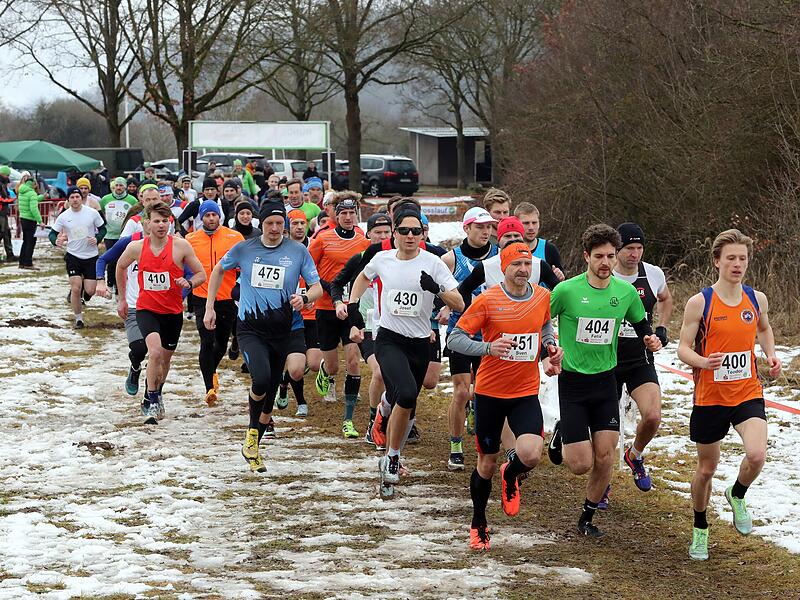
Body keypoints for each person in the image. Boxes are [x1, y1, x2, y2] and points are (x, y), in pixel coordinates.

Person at [548, 224, 661, 537]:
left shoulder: (624, 293)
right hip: (573, 382)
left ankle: (587, 517)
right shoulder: (567, 291)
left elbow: (641, 323)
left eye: (611, 256)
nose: (606, 262)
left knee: (605, 455)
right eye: (599, 256)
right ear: (586, 256)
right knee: (580, 464)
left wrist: (650, 339)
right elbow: (542, 318)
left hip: (605, 382)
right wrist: (548, 350)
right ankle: (562, 432)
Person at [448, 242, 562, 550]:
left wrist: (551, 347)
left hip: (525, 391)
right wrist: (487, 348)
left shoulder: (542, 296)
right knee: (486, 462)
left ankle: (510, 475)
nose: (523, 270)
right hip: (490, 393)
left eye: (527, 264)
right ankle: (479, 522)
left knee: (531, 454)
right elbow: (455, 338)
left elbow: (545, 326)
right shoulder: (487, 299)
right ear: (505, 268)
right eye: (517, 265)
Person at [677, 229, 781, 561]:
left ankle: (737, 493)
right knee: (706, 469)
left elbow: (763, 329)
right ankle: (700, 527)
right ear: (717, 261)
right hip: (710, 397)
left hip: (747, 391)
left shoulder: (756, 298)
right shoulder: (700, 302)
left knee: (756, 455)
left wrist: (770, 354)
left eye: (743, 259)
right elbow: (681, 348)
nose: (738, 265)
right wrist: (702, 361)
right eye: (731, 258)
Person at [347, 208, 463, 490]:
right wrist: (353, 307)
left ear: (423, 234)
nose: (410, 236)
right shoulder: (382, 259)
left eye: (416, 231)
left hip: (420, 343)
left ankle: (387, 423)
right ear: (395, 234)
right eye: (404, 231)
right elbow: (363, 277)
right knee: (408, 394)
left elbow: (459, 303)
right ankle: (393, 458)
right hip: (388, 338)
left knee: (406, 401)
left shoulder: (433, 263)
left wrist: (436, 289)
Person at [204, 199, 322, 472]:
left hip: (286, 328)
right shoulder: (245, 249)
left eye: (280, 223)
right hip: (251, 328)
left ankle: (256, 434)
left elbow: (316, 288)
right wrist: (210, 306)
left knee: (281, 380)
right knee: (262, 378)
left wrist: (304, 297)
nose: (275, 228)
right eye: (269, 223)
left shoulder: (298, 251)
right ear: (261, 224)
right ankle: (252, 435)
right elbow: (219, 270)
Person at [116, 202, 205, 423]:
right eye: (157, 221)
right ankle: (153, 400)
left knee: (164, 360)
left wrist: (189, 282)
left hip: (172, 313)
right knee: (154, 352)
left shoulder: (181, 246)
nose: (161, 225)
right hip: (146, 309)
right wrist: (122, 299)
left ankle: (154, 391)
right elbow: (119, 266)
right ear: (147, 223)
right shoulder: (136, 247)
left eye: (165, 221)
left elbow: (201, 274)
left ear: (171, 223)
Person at [609, 223, 672, 504]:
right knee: (606, 433)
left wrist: (661, 330)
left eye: (639, 248)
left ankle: (634, 455)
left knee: (653, 416)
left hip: (639, 359)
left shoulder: (653, 273)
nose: (634, 254)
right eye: (628, 248)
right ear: (617, 250)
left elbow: (666, 298)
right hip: (606, 361)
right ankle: (601, 486)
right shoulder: (605, 272)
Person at [441, 206, 498, 470]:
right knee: (462, 391)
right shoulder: (451, 259)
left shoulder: (499, 257)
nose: (486, 231)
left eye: (489, 227)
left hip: (490, 334)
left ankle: (485, 437)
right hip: (461, 332)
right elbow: (439, 292)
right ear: (467, 228)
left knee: (483, 392)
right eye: (480, 227)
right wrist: (440, 311)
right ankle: (455, 445)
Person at [328, 212, 393, 440]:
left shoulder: (399, 260)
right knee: (379, 372)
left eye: (387, 232)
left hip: (394, 327)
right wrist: (338, 303)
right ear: (368, 234)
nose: (382, 236)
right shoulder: (360, 259)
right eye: (378, 232)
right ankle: (373, 422)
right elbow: (336, 283)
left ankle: (392, 419)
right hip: (366, 327)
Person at [308, 193, 370, 428]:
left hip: (351, 306)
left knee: (354, 357)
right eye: (342, 213)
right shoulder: (323, 239)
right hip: (326, 306)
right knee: (333, 363)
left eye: (351, 212)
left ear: (356, 215)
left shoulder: (363, 241)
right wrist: (327, 287)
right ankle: (328, 373)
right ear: (335, 214)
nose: (347, 217)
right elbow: (309, 267)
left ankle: (350, 393)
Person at [186, 201, 245, 406]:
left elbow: (243, 266)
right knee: (206, 340)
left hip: (227, 297)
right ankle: (209, 387)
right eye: (207, 215)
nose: (211, 219)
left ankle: (211, 371)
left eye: (214, 215)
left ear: (219, 216)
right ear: (201, 218)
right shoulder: (191, 239)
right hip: (202, 296)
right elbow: (183, 264)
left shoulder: (234, 237)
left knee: (221, 342)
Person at [274, 209, 320, 418]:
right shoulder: (277, 251)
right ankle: (294, 397)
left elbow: (319, 280)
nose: (300, 227)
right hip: (279, 318)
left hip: (305, 315)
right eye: (295, 224)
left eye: (303, 223)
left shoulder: (314, 247)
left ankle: (291, 389)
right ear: (287, 228)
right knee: (280, 369)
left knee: (304, 366)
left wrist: (309, 298)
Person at [458, 217, 560, 300]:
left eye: (516, 235)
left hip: (530, 322)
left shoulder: (539, 264)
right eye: (507, 236)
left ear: (523, 238)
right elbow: (464, 291)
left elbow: (561, 292)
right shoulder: (485, 266)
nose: (513, 239)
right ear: (499, 240)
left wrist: (546, 311)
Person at [49, 187, 107, 328]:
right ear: (68, 200)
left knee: (90, 290)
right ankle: (79, 319)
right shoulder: (64, 216)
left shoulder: (92, 213)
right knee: (75, 288)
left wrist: (97, 238)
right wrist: (56, 241)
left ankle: (86, 295)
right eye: (72, 197)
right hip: (73, 256)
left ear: (81, 198)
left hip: (91, 256)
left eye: (77, 197)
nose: (75, 200)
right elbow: (52, 233)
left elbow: (103, 228)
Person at [100, 177, 137, 291]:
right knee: (111, 260)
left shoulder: (132, 200)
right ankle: (110, 284)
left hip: (125, 235)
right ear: (113, 186)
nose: (119, 188)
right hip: (110, 235)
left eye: (121, 185)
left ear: (125, 187)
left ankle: (120, 286)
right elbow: (102, 212)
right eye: (117, 185)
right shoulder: (105, 199)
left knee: (124, 260)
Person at [514, 202, 565, 282]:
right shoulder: (509, 250)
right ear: (517, 224)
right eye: (526, 223)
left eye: (534, 223)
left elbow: (561, 282)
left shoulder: (549, 249)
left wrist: (560, 277)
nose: (531, 227)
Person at [16, 172, 44, 270]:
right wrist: (40, 221)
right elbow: (33, 208)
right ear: (32, 184)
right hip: (30, 220)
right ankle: (28, 263)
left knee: (25, 241)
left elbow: (33, 199)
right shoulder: (31, 192)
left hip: (23, 218)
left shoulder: (22, 191)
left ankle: (21, 262)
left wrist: (42, 197)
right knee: (31, 241)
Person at [0, 165, 16, 262]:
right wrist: (8, 200)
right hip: (1, 212)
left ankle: (10, 255)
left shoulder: (3, 183)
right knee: (2, 233)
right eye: (7, 175)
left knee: (6, 233)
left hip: (3, 212)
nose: (8, 177)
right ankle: (10, 255)